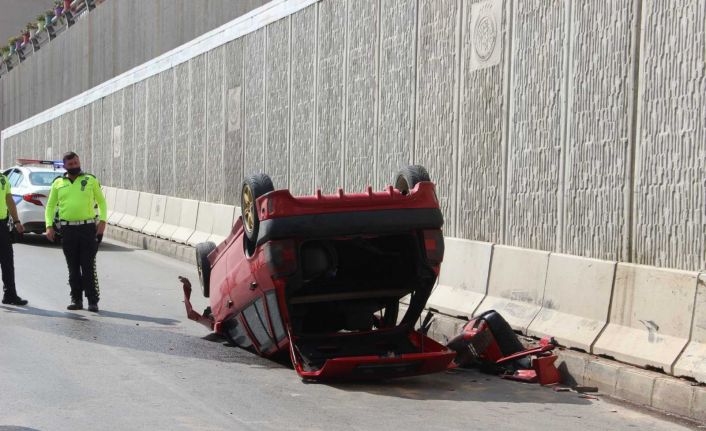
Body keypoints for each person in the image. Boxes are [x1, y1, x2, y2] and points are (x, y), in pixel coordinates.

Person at [45, 152, 107, 312]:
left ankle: (92, 300)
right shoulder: (58, 183)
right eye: (71, 164)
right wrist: (49, 226)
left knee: (88, 266)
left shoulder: (90, 180)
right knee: (72, 268)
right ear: (65, 166)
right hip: (68, 230)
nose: (74, 166)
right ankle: (76, 299)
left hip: (87, 229)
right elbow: (50, 206)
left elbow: (102, 202)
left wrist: (102, 222)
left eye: (76, 163)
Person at [0, 172, 28, 305]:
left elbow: (9, 200)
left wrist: (17, 221)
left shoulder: (3, 178)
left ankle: (10, 295)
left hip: (2, 224)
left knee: (7, 260)